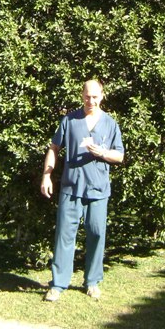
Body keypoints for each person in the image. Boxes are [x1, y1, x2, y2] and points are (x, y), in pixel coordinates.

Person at [40, 80, 125, 302]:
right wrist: (46, 176)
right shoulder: (69, 120)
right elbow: (54, 148)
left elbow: (120, 156)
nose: (91, 101)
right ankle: (58, 284)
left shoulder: (110, 123)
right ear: (82, 96)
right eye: (87, 96)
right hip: (71, 187)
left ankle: (92, 282)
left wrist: (103, 153)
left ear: (102, 96)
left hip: (98, 189)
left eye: (95, 97)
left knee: (97, 234)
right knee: (64, 236)